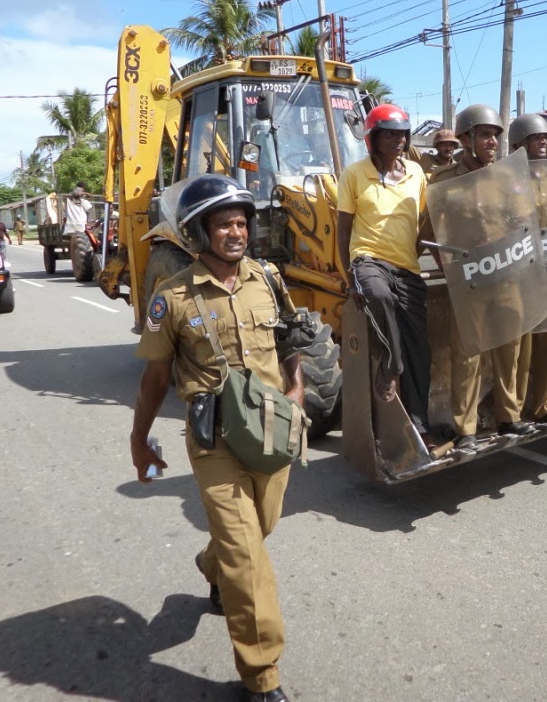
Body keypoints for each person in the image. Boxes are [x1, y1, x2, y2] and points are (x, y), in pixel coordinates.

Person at [130, 174, 302, 702]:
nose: (237, 232)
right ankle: (262, 676)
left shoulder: (268, 278)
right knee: (246, 557)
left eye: (241, 223)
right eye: (224, 224)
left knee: (258, 529)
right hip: (215, 441)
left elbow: (290, 337)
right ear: (199, 233)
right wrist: (139, 439)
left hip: (270, 429)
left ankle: (213, 564)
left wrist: (296, 390)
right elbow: (155, 376)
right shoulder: (171, 297)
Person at [429, 104, 534, 448]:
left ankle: (509, 417)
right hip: (470, 279)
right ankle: (466, 430)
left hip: (506, 275)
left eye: (495, 136)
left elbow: (522, 223)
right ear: (466, 138)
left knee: (509, 347)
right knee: (468, 354)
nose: (492, 142)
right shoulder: (444, 180)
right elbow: (429, 232)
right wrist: (447, 267)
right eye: (485, 134)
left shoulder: (505, 177)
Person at [336, 104, 434, 443]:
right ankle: (392, 362)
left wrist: (416, 251)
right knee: (377, 295)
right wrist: (350, 276)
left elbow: (426, 220)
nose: (399, 140)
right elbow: (343, 231)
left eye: (402, 134)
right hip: (368, 259)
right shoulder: (354, 174)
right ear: (373, 138)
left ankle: (419, 426)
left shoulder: (417, 174)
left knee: (420, 349)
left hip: (407, 266)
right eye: (390, 134)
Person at [508, 113, 547, 423]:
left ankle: (546, 404)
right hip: (522, 271)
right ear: (519, 144)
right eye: (536, 139)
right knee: (523, 346)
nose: (544, 143)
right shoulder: (509, 180)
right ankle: (516, 408)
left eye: (546, 138)